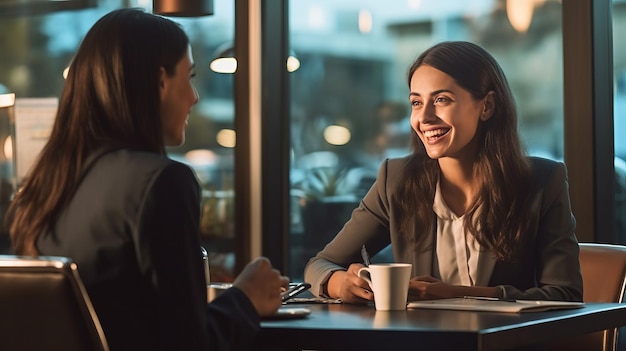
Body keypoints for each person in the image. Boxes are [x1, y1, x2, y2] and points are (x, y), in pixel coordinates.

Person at [5, 8, 289, 351]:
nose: (194, 97)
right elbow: (191, 344)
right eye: (190, 77)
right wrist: (245, 298)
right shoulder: (161, 183)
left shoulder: (44, 189)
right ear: (160, 82)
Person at [304, 41, 583, 304]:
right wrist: (340, 284)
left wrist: (456, 294)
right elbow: (319, 265)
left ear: (487, 106)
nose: (424, 118)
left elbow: (565, 294)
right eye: (416, 102)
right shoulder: (397, 179)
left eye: (441, 100)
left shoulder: (543, 182)